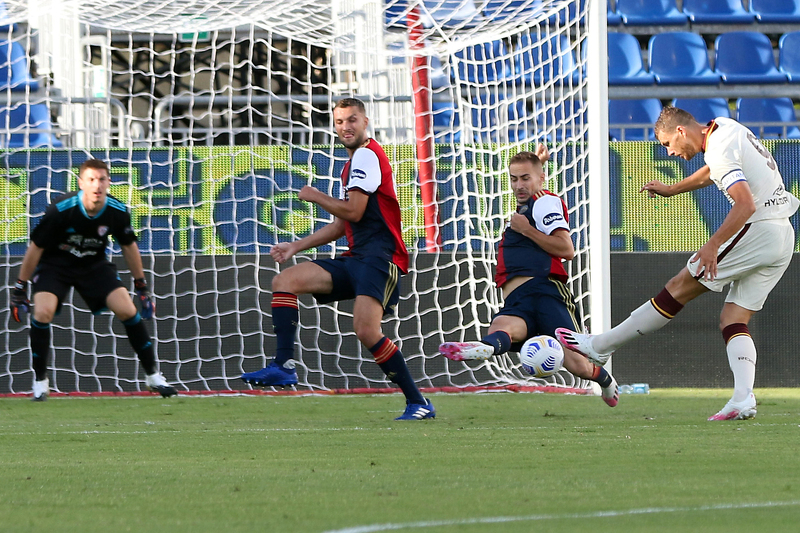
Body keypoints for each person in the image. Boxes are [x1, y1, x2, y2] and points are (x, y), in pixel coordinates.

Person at [557, 106, 799, 421]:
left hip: (759, 226)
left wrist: (712, 245)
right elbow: (714, 170)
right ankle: (743, 398)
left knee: (678, 287)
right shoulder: (724, 126)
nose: (670, 153)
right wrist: (673, 188)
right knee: (733, 317)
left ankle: (602, 345)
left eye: (668, 143)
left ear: (681, 131)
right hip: (783, 234)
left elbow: (745, 203)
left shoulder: (721, 148)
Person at [240, 97, 434, 420]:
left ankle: (419, 402)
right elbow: (344, 224)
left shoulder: (368, 156)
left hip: (379, 258)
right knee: (284, 281)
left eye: (352, 120)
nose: (346, 127)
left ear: (365, 122)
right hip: (356, 257)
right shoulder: (353, 163)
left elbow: (354, 211)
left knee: (366, 330)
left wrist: (315, 196)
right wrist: (295, 247)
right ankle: (284, 366)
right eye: (340, 121)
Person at [438, 146, 620, 407]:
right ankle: (483, 348)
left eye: (525, 178)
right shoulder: (531, 205)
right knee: (501, 327)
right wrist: (535, 166)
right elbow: (531, 195)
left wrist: (526, 230)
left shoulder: (545, 201)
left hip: (545, 293)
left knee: (578, 366)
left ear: (541, 178)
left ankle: (605, 381)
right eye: (514, 178)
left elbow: (566, 249)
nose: (518, 185)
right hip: (519, 299)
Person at [9, 159, 177, 401]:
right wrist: (19, 288)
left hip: (93, 266)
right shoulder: (60, 210)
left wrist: (141, 286)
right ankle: (40, 382)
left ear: (109, 182)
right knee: (42, 313)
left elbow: (129, 247)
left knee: (128, 310)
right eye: (91, 179)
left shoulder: (117, 212)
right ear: (81, 183)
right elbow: (35, 248)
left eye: (101, 179)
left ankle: (153, 377)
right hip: (56, 266)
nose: (97, 185)